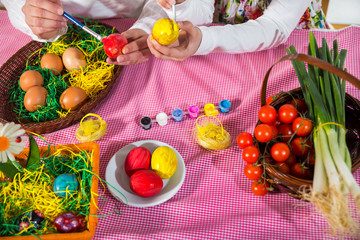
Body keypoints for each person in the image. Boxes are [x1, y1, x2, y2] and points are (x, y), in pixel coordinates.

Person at [1, 0, 214, 65]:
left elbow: (203, 7)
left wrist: (148, 24)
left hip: (143, 35)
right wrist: (32, 16)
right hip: (66, 31)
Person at [148, 0, 329, 61]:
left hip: (292, 39)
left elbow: (276, 24)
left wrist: (204, 40)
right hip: (222, 38)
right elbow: (202, 12)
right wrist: (182, 3)